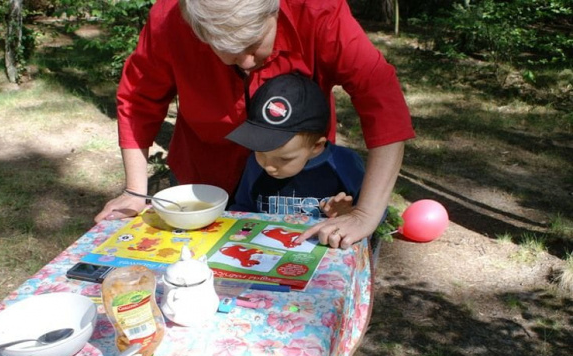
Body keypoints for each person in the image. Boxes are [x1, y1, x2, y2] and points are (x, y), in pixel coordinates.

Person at [94, 0, 415, 249]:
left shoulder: (318, 10)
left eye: (254, 44)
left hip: (300, 184)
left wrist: (366, 213)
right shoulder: (168, 17)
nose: (247, 63)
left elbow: (380, 97)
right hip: (204, 175)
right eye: (230, 52)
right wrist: (135, 191)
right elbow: (139, 99)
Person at [227, 72, 364, 219]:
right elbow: (242, 209)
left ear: (316, 146)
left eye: (284, 159)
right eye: (260, 151)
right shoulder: (255, 164)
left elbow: (374, 212)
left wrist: (350, 214)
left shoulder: (344, 165)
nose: (269, 166)